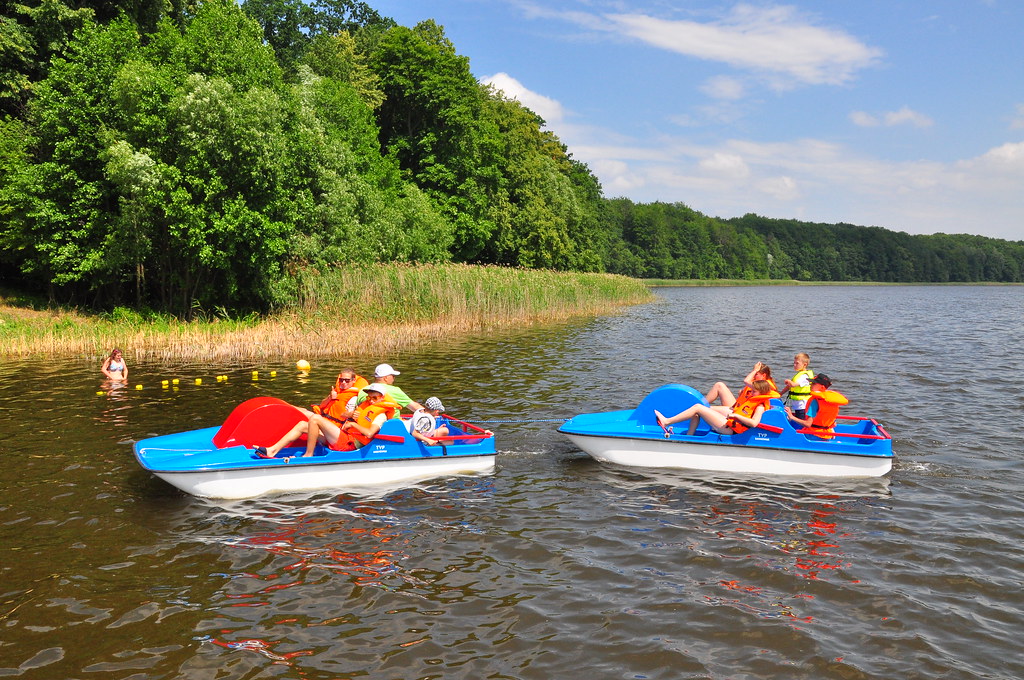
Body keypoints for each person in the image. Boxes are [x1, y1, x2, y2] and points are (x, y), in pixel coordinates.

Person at [257, 383, 398, 458]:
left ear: (381, 399)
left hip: (350, 445)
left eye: (374, 398)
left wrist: (353, 424)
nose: (371, 400)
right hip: (345, 437)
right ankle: (272, 450)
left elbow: (369, 433)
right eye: (369, 397)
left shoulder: (381, 415)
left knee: (315, 418)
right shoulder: (364, 407)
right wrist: (352, 417)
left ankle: (308, 455)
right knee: (302, 425)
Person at [655, 380, 774, 436]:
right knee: (699, 410)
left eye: (754, 391)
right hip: (729, 424)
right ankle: (689, 438)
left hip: (730, 430)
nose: (751, 393)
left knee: (697, 407)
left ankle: (667, 421)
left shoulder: (760, 406)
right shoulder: (755, 401)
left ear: (762, 392)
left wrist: (736, 415)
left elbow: (753, 423)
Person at [785, 374, 849, 440]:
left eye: (814, 384)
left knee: (789, 438)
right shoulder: (832, 401)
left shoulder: (815, 401)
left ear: (822, 387)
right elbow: (834, 424)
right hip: (827, 435)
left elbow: (808, 424)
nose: (810, 385)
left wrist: (791, 416)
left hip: (813, 435)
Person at [704, 362, 779, 417]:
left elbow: (746, 381)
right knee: (719, 385)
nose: (753, 376)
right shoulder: (756, 382)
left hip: (740, 413)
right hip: (737, 406)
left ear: (763, 375)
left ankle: (698, 408)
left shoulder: (765, 385)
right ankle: (701, 403)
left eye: (756, 374)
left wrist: (755, 370)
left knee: (707, 409)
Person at [356, 363, 424, 415]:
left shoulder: (363, 390)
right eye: (393, 376)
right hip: (390, 425)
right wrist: (430, 415)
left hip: (366, 423)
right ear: (385, 378)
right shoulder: (394, 390)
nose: (394, 378)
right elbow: (416, 407)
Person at [780, 353, 815, 420]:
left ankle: (801, 430)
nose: (794, 365)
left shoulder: (805, 376)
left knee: (801, 420)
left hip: (803, 405)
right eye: (794, 363)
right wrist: (780, 394)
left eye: (797, 363)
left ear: (805, 364)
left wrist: (788, 381)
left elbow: (793, 385)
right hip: (797, 404)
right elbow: (789, 386)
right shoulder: (799, 374)